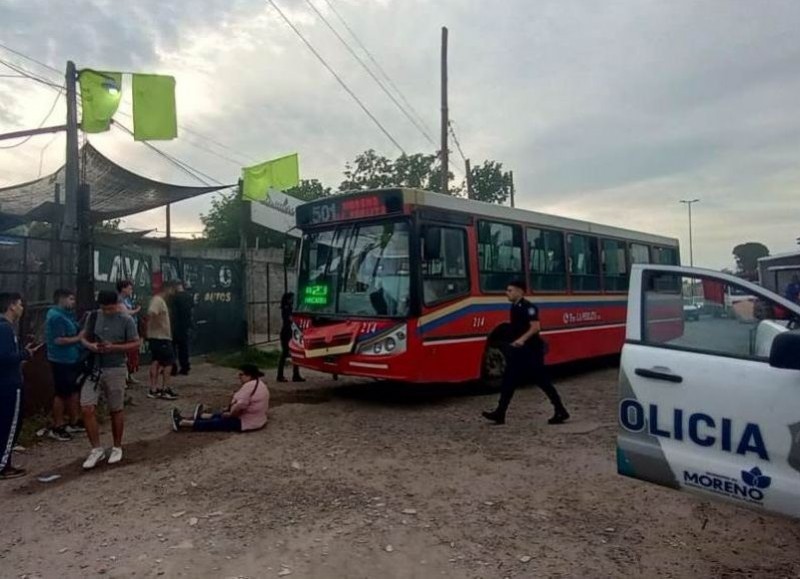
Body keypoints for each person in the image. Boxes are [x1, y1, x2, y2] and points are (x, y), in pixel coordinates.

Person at [482, 280, 569, 426]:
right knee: (508, 381)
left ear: (519, 291)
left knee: (543, 382)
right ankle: (500, 413)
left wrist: (521, 340)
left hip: (531, 352)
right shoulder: (514, 307)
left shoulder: (529, 308)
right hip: (518, 351)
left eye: (510, 290)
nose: (507, 293)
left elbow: (535, 327)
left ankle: (560, 410)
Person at [78, 290, 140, 469]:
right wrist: (91, 345)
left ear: (117, 304)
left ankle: (117, 446)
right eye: (104, 308)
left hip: (115, 367)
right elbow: (83, 337)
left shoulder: (126, 320)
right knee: (87, 407)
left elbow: (136, 343)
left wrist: (114, 347)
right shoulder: (93, 317)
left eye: (110, 308)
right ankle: (96, 448)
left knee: (116, 408)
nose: (107, 312)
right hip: (94, 367)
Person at [0, 293, 38, 480]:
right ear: (12, 306)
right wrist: (25, 354)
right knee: (10, 425)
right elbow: (4, 358)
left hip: (7, 381)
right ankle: (3, 466)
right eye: (20, 304)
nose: (22, 308)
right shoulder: (5, 329)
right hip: (9, 384)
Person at [171, 364, 268, 432]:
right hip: (257, 419)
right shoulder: (259, 383)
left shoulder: (248, 387)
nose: (239, 377)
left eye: (241, 374)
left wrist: (230, 414)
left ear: (249, 375)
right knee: (222, 416)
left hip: (246, 422)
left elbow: (240, 405)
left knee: (217, 423)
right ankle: (202, 416)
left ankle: (183, 423)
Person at [44, 289, 85, 442]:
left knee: (73, 389)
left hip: (72, 358)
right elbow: (58, 340)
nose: (73, 302)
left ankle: (74, 420)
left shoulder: (66, 315)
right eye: (70, 299)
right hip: (61, 359)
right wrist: (78, 338)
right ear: (61, 299)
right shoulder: (55, 317)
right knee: (61, 393)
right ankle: (58, 425)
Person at [147, 281, 177, 400]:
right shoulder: (158, 300)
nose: (173, 292)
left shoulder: (158, 300)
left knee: (156, 361)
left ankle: (154, 389)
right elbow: (151, 313)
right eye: (172, 289)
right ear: (167, 289)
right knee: (168, 362)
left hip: (157, 337)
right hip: (161, 337)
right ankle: (165, 389)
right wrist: (156, 325)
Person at [117, 280, 142, 385]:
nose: (131, 290)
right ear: (123, 288)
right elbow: (125, 313)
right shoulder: (119, 299)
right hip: (124, 331)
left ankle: (130, 375)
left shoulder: (128, 299)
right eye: (129, 288)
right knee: (126, 354)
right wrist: (137, 310)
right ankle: (124, 378)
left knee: (132, 354)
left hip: (132, 329)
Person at [277, 292, 304, 383]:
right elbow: (291, 319)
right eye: (292, 298)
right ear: (288, 299)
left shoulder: (290, 308)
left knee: (294, 353)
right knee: (285, 353)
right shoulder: (286, 308)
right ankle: (280, 375)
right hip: (286, 333)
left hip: (292, 332)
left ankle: (295, 375)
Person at [169, 280, 193, 377]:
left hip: (175, 325)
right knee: (184, 348)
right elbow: (191, 310)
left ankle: (173, 368)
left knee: (173, 348)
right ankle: (185, 367)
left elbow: (171, 312)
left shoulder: (173, 298)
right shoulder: (188, 296)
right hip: (185, 325)